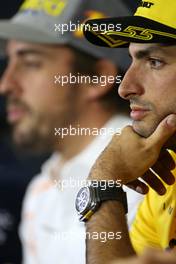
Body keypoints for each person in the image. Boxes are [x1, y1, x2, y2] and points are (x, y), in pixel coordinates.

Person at [0, 0, 143, 263]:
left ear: (98, 77)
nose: (6, 85)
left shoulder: (153, 180)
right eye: (9, 62)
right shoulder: (41, 191)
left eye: (30, 62)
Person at [75, 0, 176, 263]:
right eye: (132, 59)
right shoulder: (168, 182)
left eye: (154, 61)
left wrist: (104, 182)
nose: (125, 87)